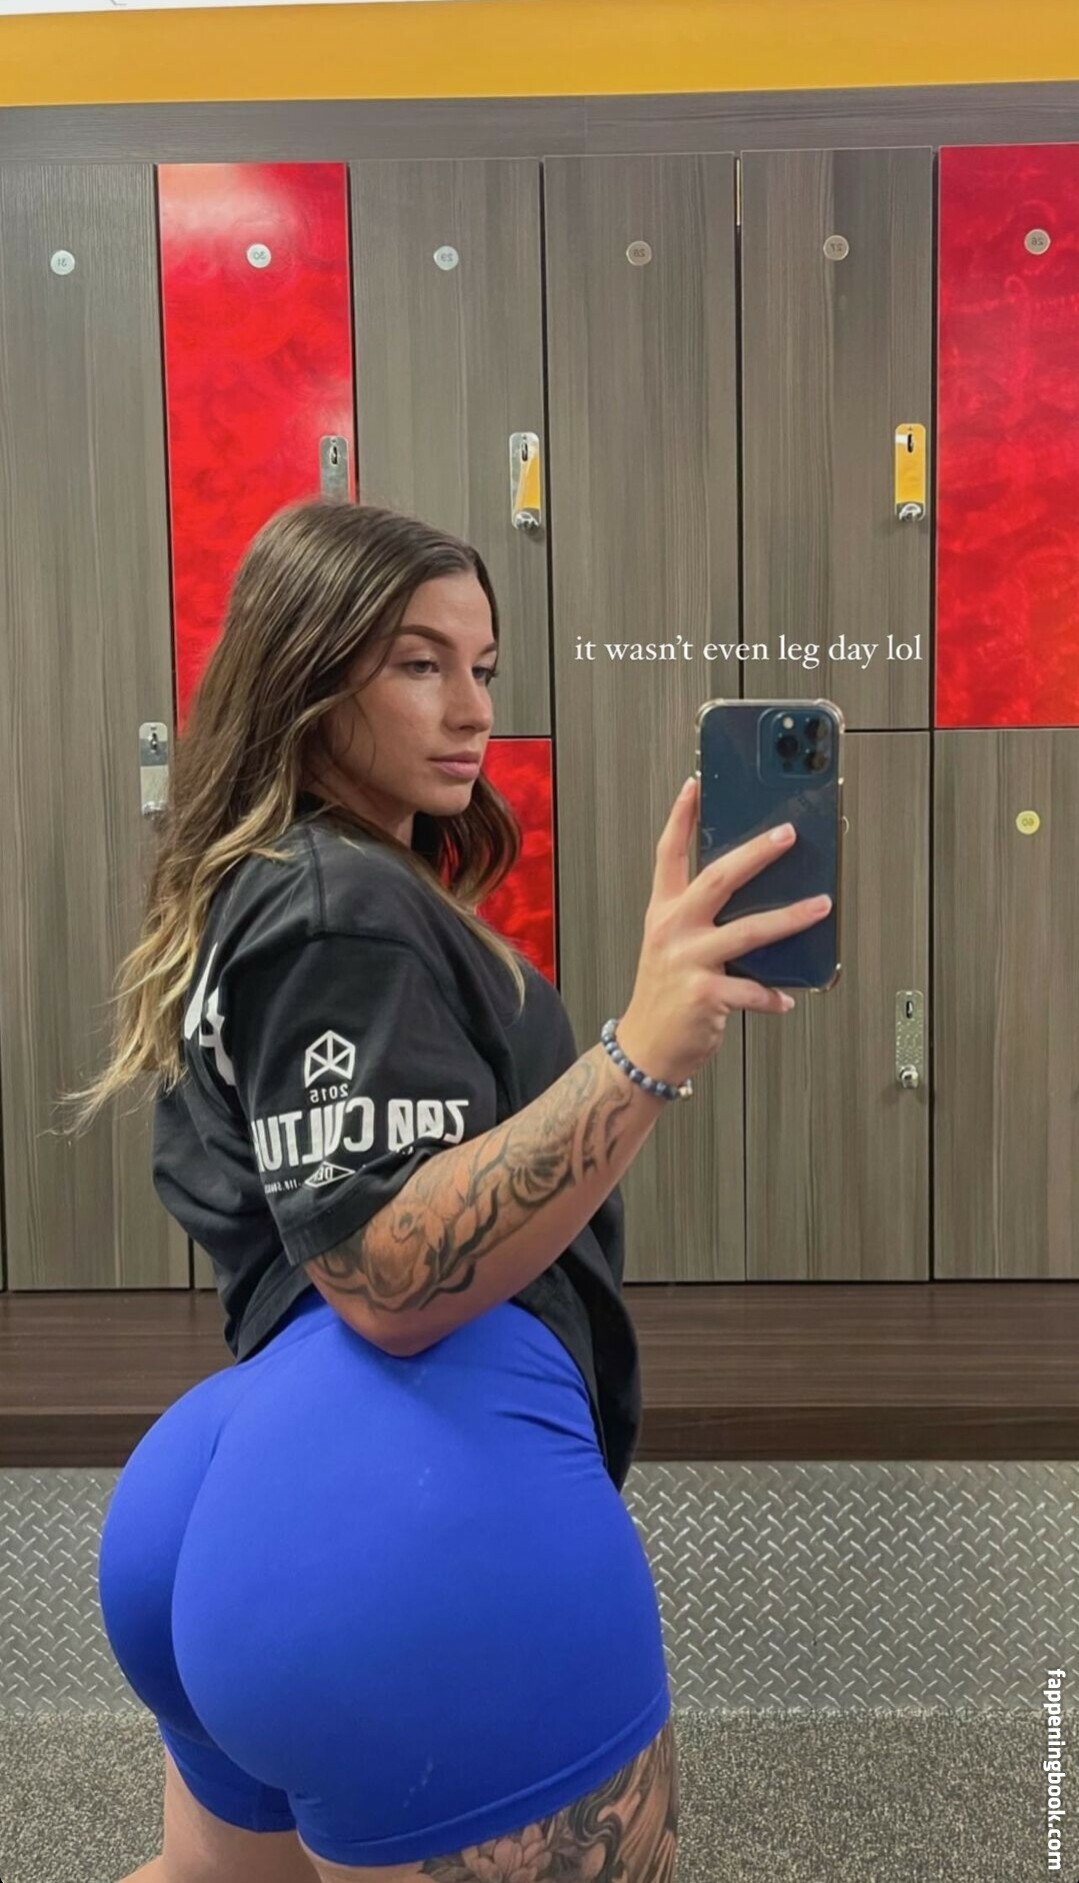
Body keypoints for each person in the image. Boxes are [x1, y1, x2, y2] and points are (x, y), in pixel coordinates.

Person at [61, 499, 829, 1883]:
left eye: (482, 666)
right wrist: (643, 1051)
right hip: (418, 1505)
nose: (472, 707)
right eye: (420, 664)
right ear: (303, 674)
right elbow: (386, 1273)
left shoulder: (267, 887)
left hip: (236, 1489)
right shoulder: (335, 904)